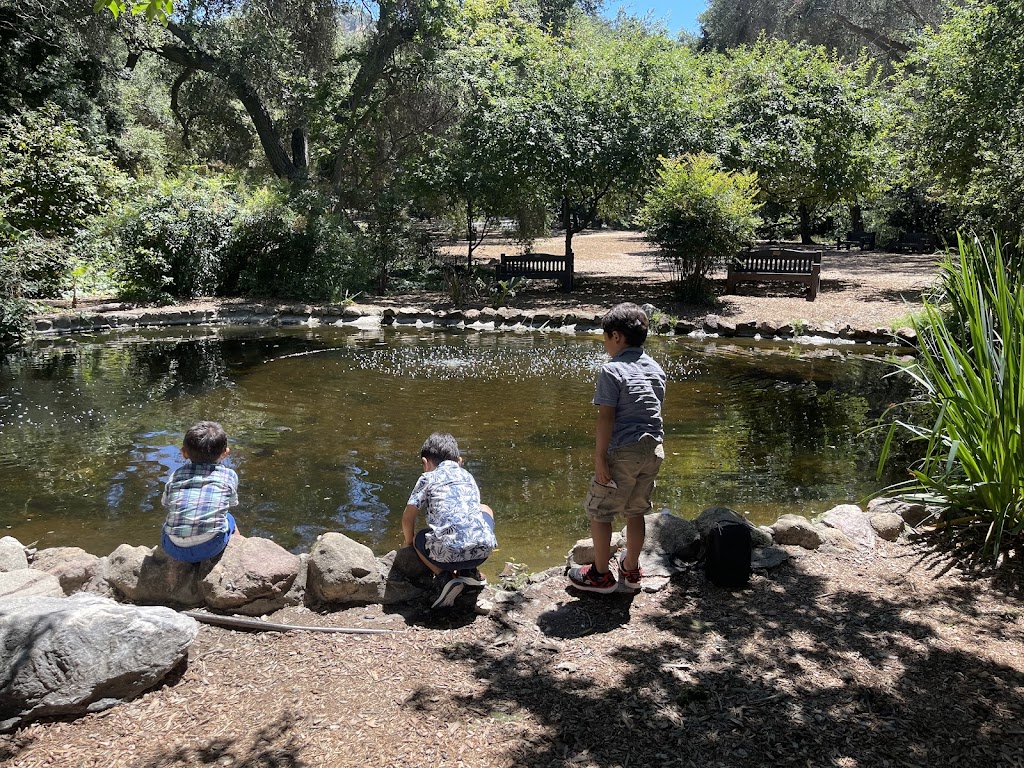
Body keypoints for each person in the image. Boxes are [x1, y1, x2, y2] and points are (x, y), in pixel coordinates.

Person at [567, 303, 666, 593]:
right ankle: (631, 570)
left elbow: (606, 417)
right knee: (635, 511)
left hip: (624, 450)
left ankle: (599, 575)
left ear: (617, 337)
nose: (605, 344)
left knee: (600, 510)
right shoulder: (656, 368)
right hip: (654, 449)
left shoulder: (612, 370)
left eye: (606, 337)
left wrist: (600, 458)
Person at [402, 432, 497, 609]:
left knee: (420, 538)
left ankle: (445, 579)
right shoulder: (467, 476)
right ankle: (469, 572)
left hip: (446, 556)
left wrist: (409, 544)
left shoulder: (427, 478)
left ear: (425, 463)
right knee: (485, 509)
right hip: (482, 552)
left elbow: (409, 516)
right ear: (459, 462)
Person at [160, 420, 241, 563]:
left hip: (173, 548)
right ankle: (239, 552)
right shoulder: (229, 475)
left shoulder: (176, 475)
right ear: (225, 453)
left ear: (184, 453)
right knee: (229, 518)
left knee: (169, 522)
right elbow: (231, 503)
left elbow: (166, 503)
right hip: (210, 547)